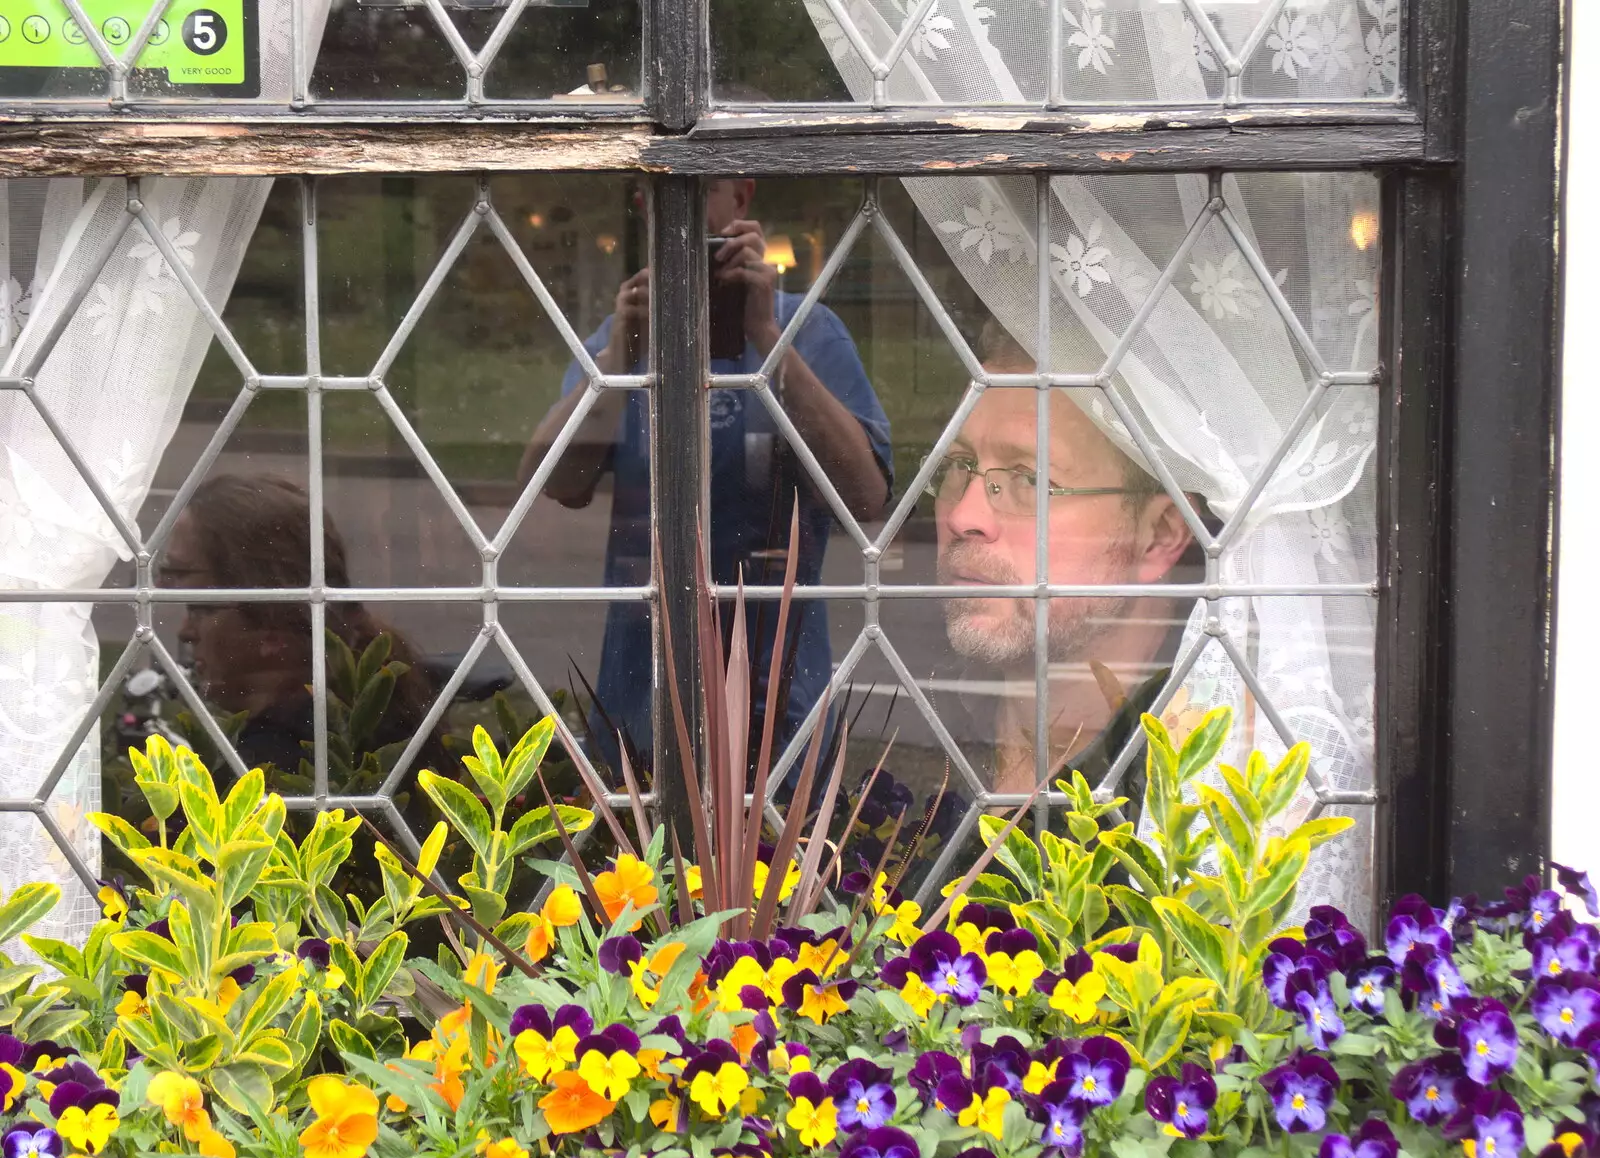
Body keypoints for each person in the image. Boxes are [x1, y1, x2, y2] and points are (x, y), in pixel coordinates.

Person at [520, 178, 893, 779]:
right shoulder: (626, 336)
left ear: (742, 201)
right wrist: (619, 361)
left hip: (778, 680)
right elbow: (555, 482)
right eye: (652, 196)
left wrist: (765, 340)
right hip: (642, 682)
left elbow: (867, 496)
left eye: (699, 193)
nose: (671, 211)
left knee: (777, 866)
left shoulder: (808, 331)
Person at [931, 321, 1199, 809]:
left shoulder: (1196, 789)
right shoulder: (906, 707)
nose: (963, 515)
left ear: (1160, 535)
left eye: (1030, 479)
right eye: (957, 465)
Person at [157, 472, 446, 783]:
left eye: (201, 609)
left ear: (271, 630)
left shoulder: (278, 763)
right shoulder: (368, 706)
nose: (184, 632)